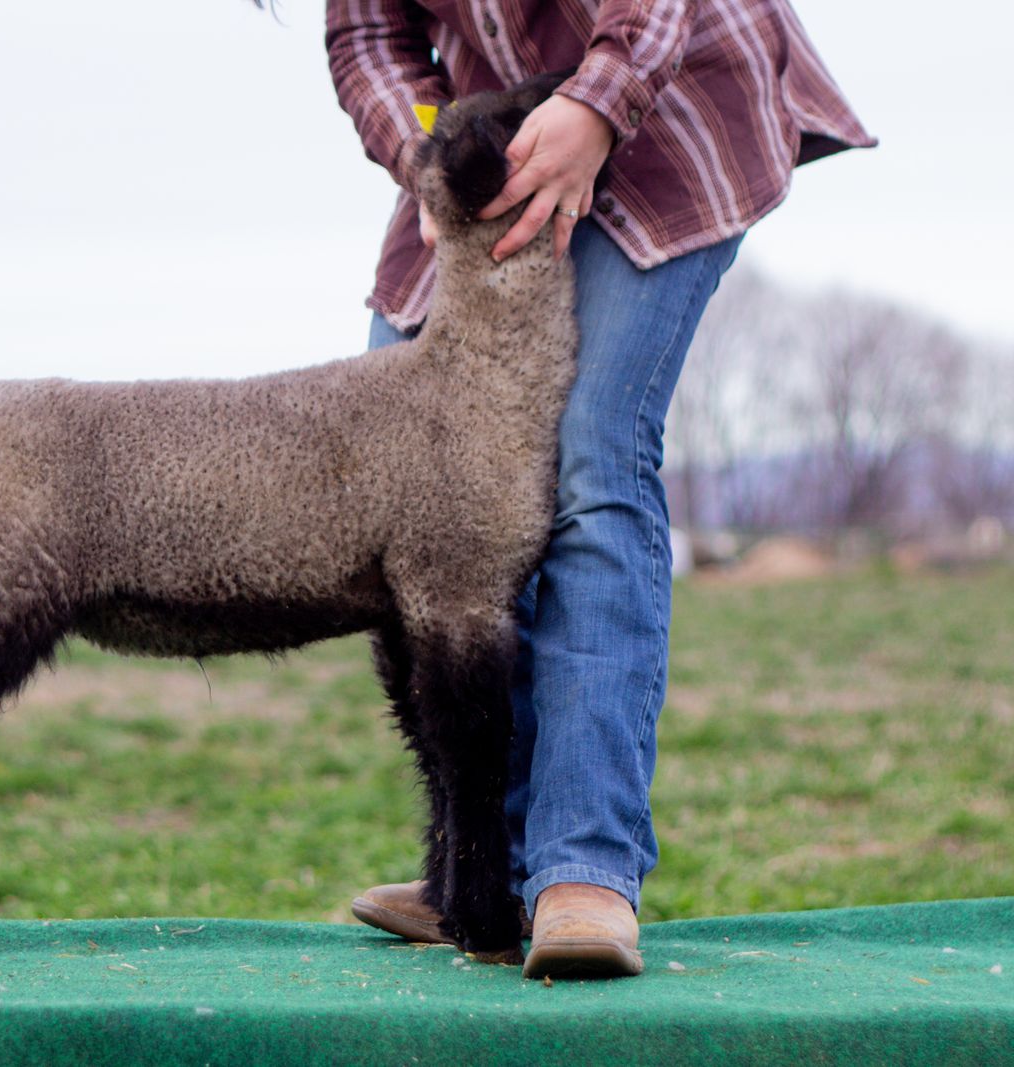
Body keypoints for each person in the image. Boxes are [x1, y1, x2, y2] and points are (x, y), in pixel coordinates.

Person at [326, 0, 873, 977]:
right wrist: (426, 149)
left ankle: (581, 869)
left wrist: (594, 105)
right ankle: (484, 874)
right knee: (423, 489)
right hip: (494, 156)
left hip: (662, 110)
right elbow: (369, 38)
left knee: (590, 452)